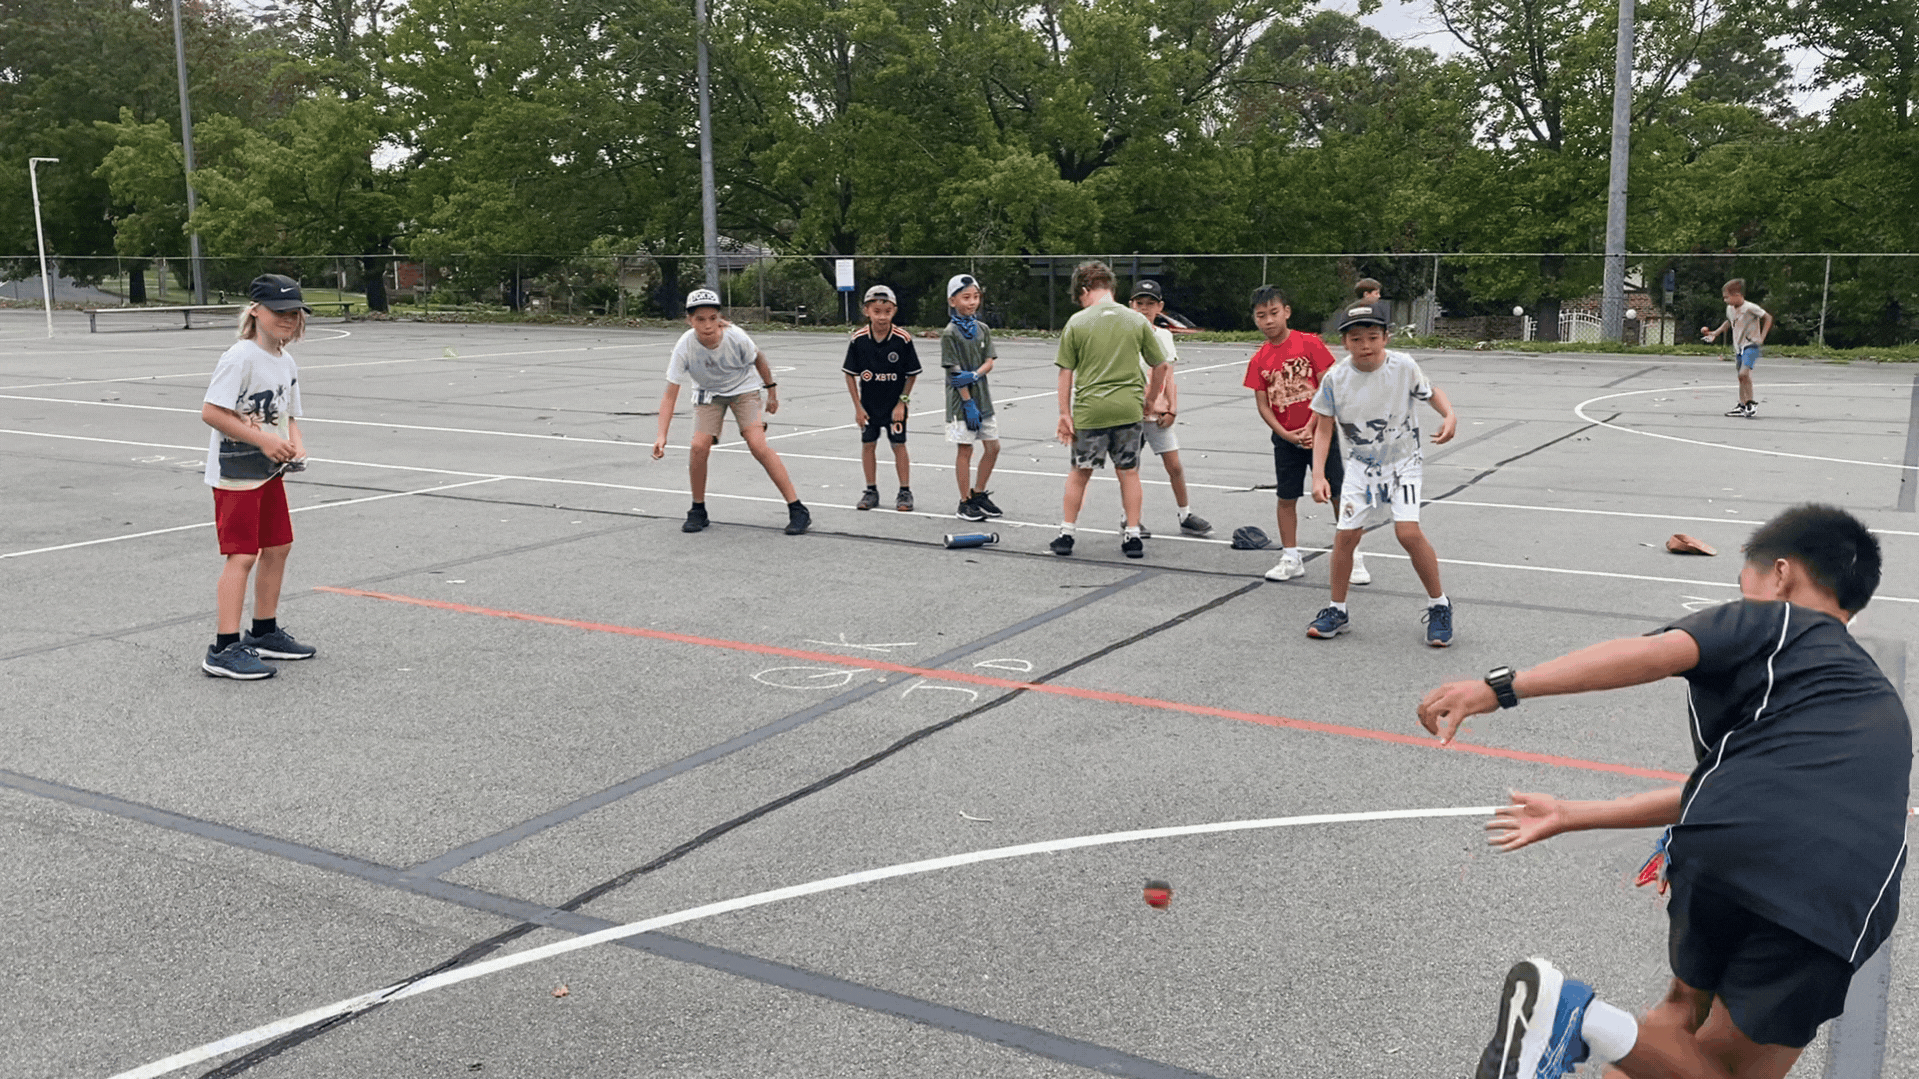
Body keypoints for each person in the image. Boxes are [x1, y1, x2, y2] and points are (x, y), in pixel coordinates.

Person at [1416, 505, 1908, 1079]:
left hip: (1733, 850)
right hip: (1835, 892)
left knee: (1677, 1028)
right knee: (1722, 1071)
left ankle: (1576, 1020)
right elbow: (1770, 801)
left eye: (1743, 583)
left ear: (1780, 574)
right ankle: (1580, 1018)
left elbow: (1655, 658)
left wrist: (1502, 689)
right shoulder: (1871, 699)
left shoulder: (1774, 622)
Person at [1306, 299, 1458, 644]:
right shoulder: (1335, 379)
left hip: (1403, 463)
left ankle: (1439, 605)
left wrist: (1449, 414)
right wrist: (1318, 475)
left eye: (1373, 337)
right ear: (1344, 343)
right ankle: (1337, 609)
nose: (1365, 346)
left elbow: (1432, 392)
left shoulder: (1403, 366)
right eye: (1356, 339)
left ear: (1386, 337)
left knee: (1407, 532)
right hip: (1361, 466)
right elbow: (1324, 429)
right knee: (1345, 537)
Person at [199, 274, 317, 680]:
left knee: (279, 546)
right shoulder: (240, 357)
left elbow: (288, 416)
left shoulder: (285, 361)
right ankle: (223, 647)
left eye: (295, 312)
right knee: (243, 555)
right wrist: (263, 441)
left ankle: (263, 631)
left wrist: (294, 444)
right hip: (236, 474)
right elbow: (212, 412)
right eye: (279, 311)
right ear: (255, 312)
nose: (289, 318)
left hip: (268, 473)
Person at [651, 288, 810, 535]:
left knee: (757, 444)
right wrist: (662, 435)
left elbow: (759, 359)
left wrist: (772, 392)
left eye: (712, 318)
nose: (707, 325)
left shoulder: (735, 337)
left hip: (743, 389)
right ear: (689, 320)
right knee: (698, 446)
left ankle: (797, 509)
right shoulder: (685, 345)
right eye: (699, 319)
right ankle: (698, 510)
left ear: (719, 318)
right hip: (709, 394)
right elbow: (670, 394)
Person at [1240, 284, 1365, 585]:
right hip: (1286, 440)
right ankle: (1291, 556)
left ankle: (1354, 556)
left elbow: (1328, 388)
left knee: (1337, 492)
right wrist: (1285, 433)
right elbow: (1263, 403)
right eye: (1261, 316)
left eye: (1273, 313)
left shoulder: (1309, 343)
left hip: (1320, 432)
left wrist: (1311, 426)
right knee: (1286, 497)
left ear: (1286, 312)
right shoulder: (1259, 360)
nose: (1268, 321)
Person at [1050, 261, 1170, 559]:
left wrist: (1064, 413)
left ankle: (1067, 532)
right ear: (1112, 288)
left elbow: (1065, 372)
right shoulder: (1136, 321)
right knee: (1128, 472)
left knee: (1080, 472)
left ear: (1084, 290)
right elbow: (1161, 364)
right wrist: (1151, 399)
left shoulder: (1077, 322)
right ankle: (1131, 534)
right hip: (1128, 408)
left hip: (1091, 409)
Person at [1126, 279, 1212, 537]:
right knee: (1130, 467)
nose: (1144, 308)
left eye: (1150, 304)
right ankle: (1129, 519)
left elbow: (1168, 375)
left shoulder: (1163, 335)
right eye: (1139, 303)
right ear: (1130, 306)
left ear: (1160, 307)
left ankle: (1185, 513)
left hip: (1157, 412)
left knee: (1174, 465)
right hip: (1131, 410)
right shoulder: (1124, 335)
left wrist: (1172, 407)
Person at [841, 285, 921, 512]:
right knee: (868, 444)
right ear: (867, 311)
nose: (882, 317)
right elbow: (849, 375)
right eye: (877, 312)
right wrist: (858, 407)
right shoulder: (858, 339)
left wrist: (902, 403)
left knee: (899, 445)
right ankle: (870, 490)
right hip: (869, 406)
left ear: (894, 311)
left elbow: (911, 375)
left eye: (887, 312)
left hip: (893, 406)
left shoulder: (902, 339)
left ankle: (905, 491)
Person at [942, 273, 1003, 522]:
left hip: (983, 400)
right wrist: (967, 402)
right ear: (952, 300)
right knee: (965, 449)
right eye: (966, 297)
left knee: (993, 446)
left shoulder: (983, 329)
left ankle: (978, 493)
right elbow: (955, 375)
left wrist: (975, 375)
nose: (972, 302)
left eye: (975, 297)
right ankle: (964, 501)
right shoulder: (950, 334)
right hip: (962, 404)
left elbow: (989, 362)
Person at [1701, 279, 1771, 418]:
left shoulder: (1750, 307)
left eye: (1727, 297)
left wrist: (1761, 337)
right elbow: (1728, 322)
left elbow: (1768, 317)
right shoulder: (1730, 309)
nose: (1725, 300)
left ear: (1737, 294)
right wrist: (1715, 333)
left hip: (1751, 345)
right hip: (1738, 347)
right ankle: (1742, 405)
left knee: (1743, 374)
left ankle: (1751, 403)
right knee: (1741, 377)